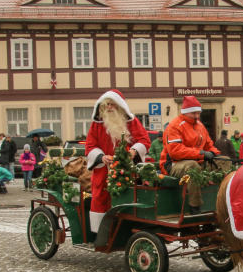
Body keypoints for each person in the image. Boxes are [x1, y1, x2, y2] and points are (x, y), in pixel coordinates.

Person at [85, 89, 150, 232]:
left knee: (129, 198)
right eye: (107, 104)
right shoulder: (97, 124)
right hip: (103, 170)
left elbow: (144, 140)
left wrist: (133, 151)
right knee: (100, 197)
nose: (109, 107)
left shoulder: (132, 122)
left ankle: (127, 229)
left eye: (112, 104)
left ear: (120, 106)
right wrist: (101, 157)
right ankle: (101, 231)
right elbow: (90, 145)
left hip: (126, 169)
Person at [159, 95, 219, 214]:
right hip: (173, 164)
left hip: (197, 161)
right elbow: (176, 151)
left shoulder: (200, 126)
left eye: (198, 113)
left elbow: (208, 144)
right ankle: (195, 207)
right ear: (185, 112)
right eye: (193, 113)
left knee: (223, 161)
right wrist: (201, 153)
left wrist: (213, 152)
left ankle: (220, 201)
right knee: (192, 167)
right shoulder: (174, 126)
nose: (197, 116)